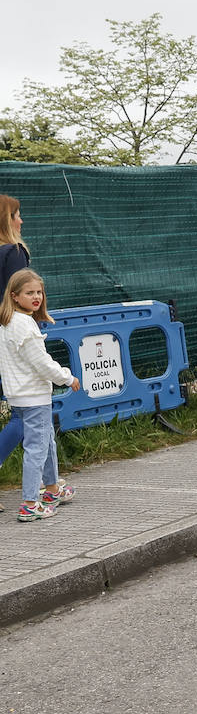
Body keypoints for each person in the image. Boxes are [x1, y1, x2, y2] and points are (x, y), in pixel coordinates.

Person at [0, 270, 78, 521]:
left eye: (39, 292)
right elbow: (42, 363)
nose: (36, 297)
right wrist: (67, 377)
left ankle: (53, 488)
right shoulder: (25, 326)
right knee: (36, 449)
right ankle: (30, 503)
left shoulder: (7, 323)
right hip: (34, 397)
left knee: (46, 443)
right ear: (14, 296)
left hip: (19, 396)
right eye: (29, 293)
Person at [0, 195, 32, 496]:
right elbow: (17, 301)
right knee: (25, 413)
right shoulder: (14, 252)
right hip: (9, 340)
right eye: (16, 216)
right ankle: (48, 484)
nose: (21, 222)